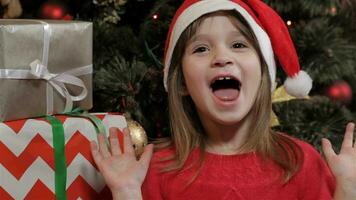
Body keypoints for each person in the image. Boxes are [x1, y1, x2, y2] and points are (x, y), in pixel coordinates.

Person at [90, 0, 356, 199]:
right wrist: (126, 192)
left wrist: (348, 189)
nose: (222, 57)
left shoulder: (301, 162)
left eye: (239, 45)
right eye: (201, 48)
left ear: (264, 75)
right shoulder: (153, 169)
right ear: (182, 82)